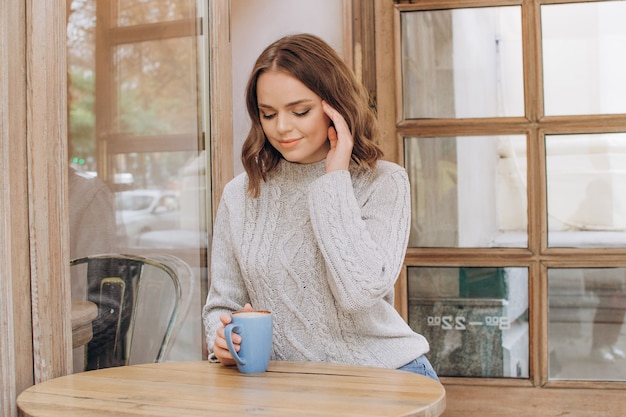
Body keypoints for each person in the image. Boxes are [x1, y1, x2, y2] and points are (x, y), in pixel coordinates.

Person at [202, 33, 438, 381]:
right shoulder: (241, 193)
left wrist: (334, 180)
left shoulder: (384, 182)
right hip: (285, 387)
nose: (282, 127)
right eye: (268, 114)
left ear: (335, 107)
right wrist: (220, 339)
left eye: (300, 111)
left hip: (386, 378)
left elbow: (360, 293)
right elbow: (223, 305)